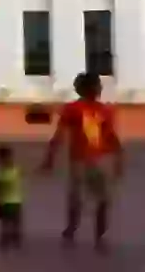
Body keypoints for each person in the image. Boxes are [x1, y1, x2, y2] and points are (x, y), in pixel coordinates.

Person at [40, 72, 124, 249]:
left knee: (102, 199)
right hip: (80, 159)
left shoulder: (105, 110)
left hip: (98, 159)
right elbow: (60, 135)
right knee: (79, 197)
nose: (100, 88)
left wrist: (119, 158)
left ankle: (97, 234)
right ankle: (74, 228)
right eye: (97, 85)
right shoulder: (73, 109)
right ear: (87, 88)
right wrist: (50, 158)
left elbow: (111, 136)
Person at [0, 144, 24, 248]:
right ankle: (15, 238)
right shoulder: (17, 171)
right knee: (15, 221)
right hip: (16, 201)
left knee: (6, 222)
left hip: (4, 202)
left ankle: (6, 239)